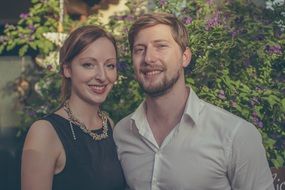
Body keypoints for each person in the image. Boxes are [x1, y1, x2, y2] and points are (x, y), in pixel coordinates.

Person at [113, 12, 274, 190]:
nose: (149, 58)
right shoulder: (122, 134)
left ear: (185, 57)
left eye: (161, 46)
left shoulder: (236, 135)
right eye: (139, 49)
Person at [21, 25, 126, 190]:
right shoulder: (45, 132)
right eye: (88, 65)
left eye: (110, 65)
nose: (102, 76)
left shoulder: (109, 126)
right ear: (67, 69)